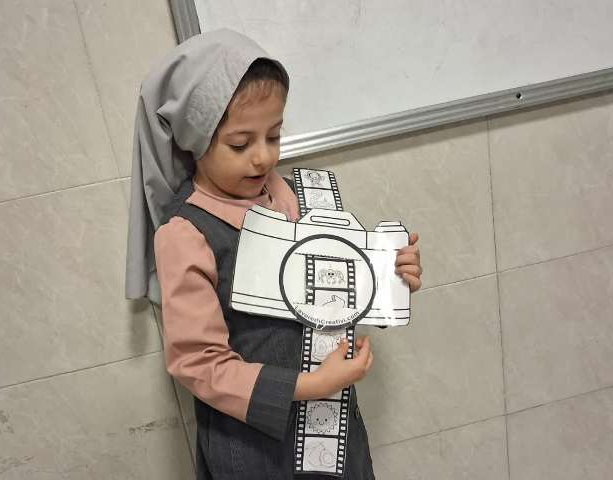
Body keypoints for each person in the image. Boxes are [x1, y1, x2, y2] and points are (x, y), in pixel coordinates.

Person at [125, 28, 423, 479]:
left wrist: (390, 278)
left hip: (331, 428)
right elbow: (198, 363)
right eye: (240, 144)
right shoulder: (186, 234)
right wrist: (309, 384)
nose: (263, 158)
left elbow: (332, 291)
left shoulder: (296, 198)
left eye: (274, 136)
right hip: (254, 451)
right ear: (196, 140)